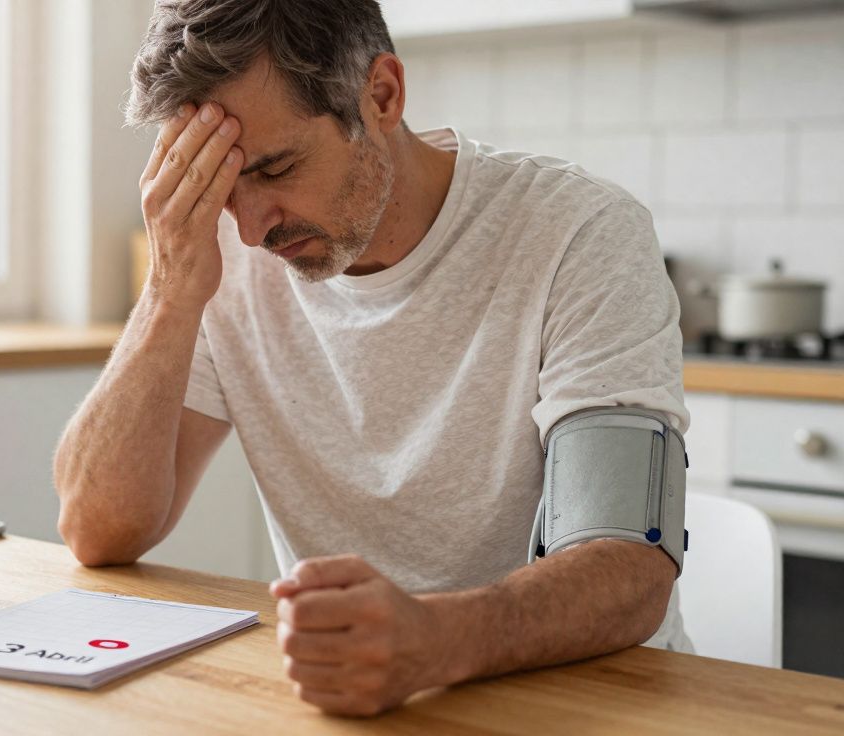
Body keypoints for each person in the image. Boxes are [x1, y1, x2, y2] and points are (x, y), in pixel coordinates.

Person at [54, 0, 691, 717]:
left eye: (276, 167)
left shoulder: (580, 234)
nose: (254, 229)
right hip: (364, 704)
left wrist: (436, 640)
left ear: (382, 95)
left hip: (594, 705)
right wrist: (169, 291)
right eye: (224, 188)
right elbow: (97, 530)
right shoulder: (218, 254)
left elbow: (630, 567)